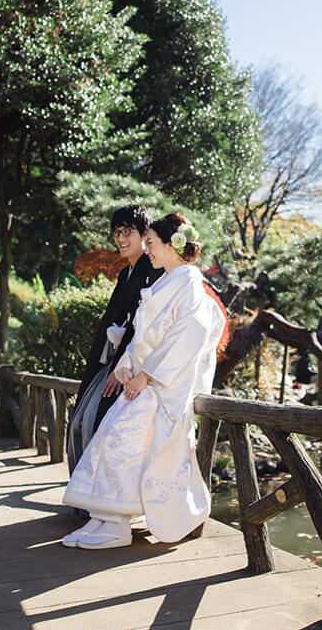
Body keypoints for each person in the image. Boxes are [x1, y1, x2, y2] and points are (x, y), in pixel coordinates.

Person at [61, 213, 226, 550]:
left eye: (151, 243)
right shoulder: (166, 281)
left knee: (120, 445)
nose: (147, 249)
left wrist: (148, 374)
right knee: (109, 441)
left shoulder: (189, 281)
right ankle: (104, 518)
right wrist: (126, 368)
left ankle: (118, 525)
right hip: (142, 382)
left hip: (160, 386)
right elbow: (143, 335)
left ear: (171, 245)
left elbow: (187, 333)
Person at [66, 205, 163, 473]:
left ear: (145, 234)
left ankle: (95, 499)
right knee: (80, 421)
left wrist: (122, 368)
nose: (120, 239)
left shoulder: (152, 271)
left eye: (127, 232)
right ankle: (82, 498)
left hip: (133, 368)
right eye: (117, 232)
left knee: (96, 423)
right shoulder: (126, 273)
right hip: (113, 360)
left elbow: (147, 329)